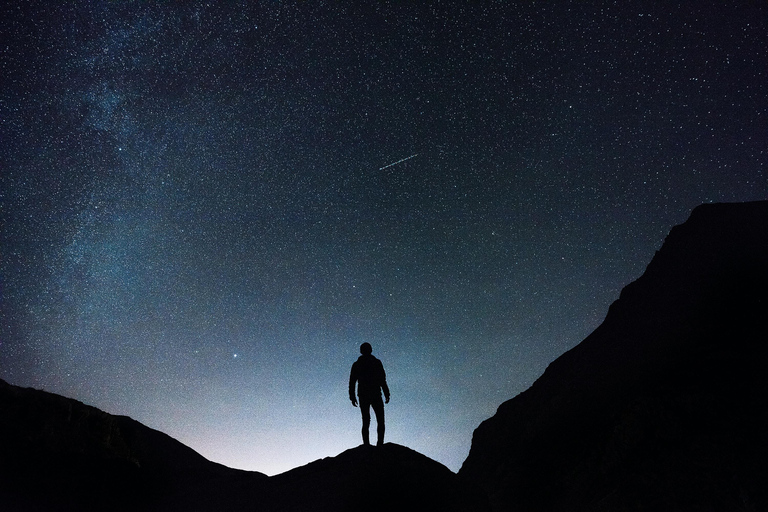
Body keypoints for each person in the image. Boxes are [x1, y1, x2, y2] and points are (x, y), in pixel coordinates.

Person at [349, 342, 390, 446]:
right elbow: (352, 381)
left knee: (372, 420)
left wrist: (386, 392)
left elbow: (382, 379)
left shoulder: (372, 363)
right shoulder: (372, 363)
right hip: (369, 394)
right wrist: (352, 395)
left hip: (370, 394)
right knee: (373, 420)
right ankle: (373, 444)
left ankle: (375, 444)